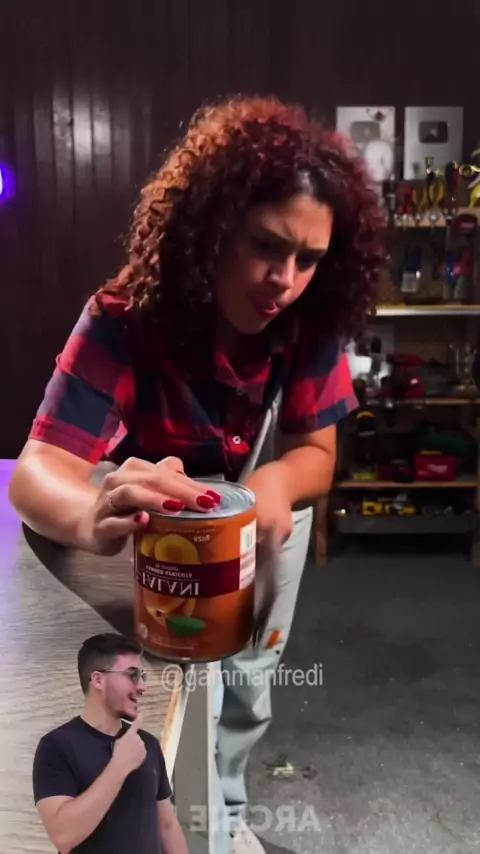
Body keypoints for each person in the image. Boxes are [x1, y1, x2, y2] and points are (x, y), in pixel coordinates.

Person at [11, 95, 384, 853]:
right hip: (160, 532)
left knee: (249, 686)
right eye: (265, 245)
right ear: (210, 227)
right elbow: (36, 470)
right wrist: (91, 515)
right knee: (159, 690)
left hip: (266, 522)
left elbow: (317, 454)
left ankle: (227, 821)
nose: (284, 279)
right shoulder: (124, 315)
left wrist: (276, 486)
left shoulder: (309, 322)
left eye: (309, 259)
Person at [32, 632, 187, 854]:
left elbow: (167, 827)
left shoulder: (147, 744)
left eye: (143, 676)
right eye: (132, 675)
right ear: (98, 680)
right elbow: (63, 837)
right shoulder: (56, 747)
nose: (142, 687)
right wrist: (119, 766)